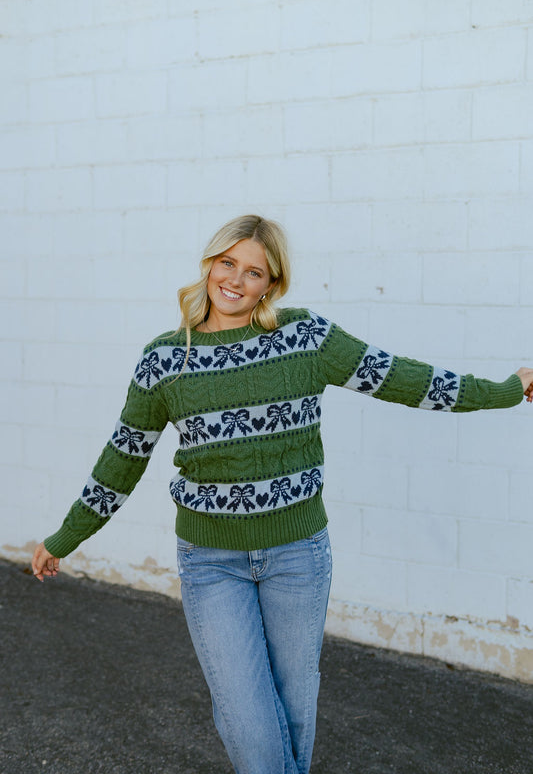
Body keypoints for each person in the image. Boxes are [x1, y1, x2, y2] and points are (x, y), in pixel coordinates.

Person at [32, 215, 533, 774]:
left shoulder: (306, 338)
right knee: (249, 721)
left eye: (254, 272)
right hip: (211, 563)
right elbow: (123, 457)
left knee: (293, 714)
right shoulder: (164, 360)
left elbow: (402, 378)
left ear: (271, 284)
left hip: (298, 557)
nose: (236, 280)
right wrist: (66, 536)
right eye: (228, 263)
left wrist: (506, 390)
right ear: (209, 265)